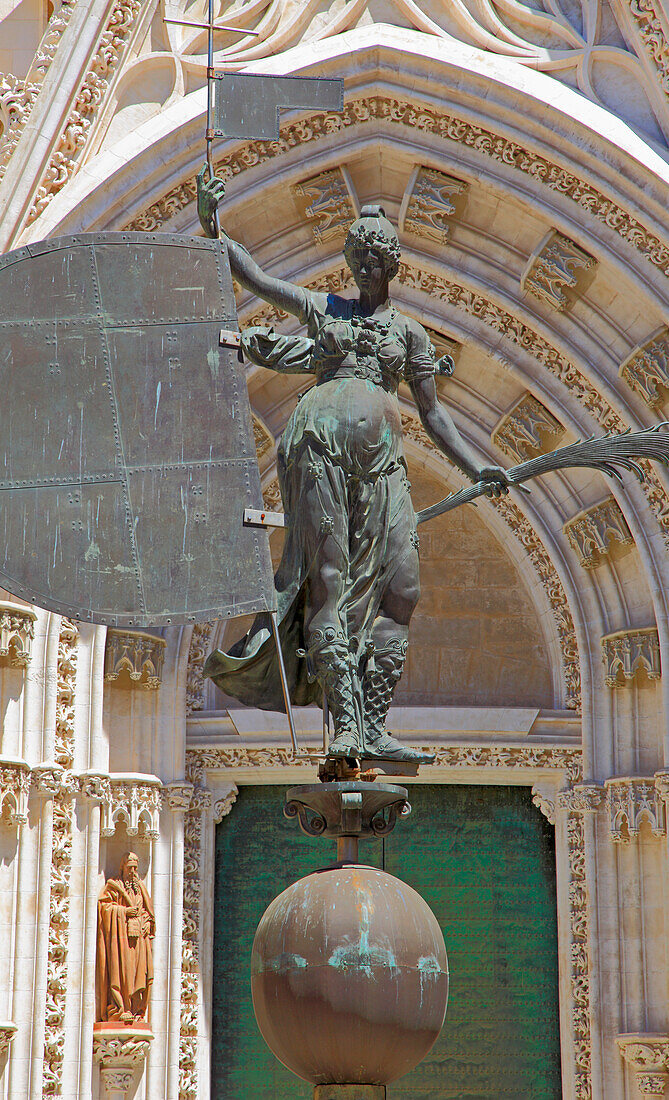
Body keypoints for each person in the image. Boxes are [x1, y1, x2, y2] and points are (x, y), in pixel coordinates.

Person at [199, 170, 509, 763]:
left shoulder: (411, 334)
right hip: (319, 449)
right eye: (359, 254)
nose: (367, 264)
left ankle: (373, 721)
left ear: (393, 264)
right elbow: (258, 279)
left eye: (377, 255)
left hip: (382, 463)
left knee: (403, 587)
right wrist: (214, 227)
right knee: (330, 584)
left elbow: (435, 416)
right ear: (349, 259)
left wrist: (478, 469)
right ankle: (345, 725)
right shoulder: (326, 309)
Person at [96, 852, 154, 1024]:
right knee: (122, 972)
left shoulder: (140, 888)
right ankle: (121, 1008)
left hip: (139, 941)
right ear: (123, 867)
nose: (133, 871)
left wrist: (147, 923)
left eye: (136, 868)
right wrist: (123, 912)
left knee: (142, 973)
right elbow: (105, 907)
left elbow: (148, 912)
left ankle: (138, 1009)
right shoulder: (114, 886)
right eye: (130, 867)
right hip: (121, 940)